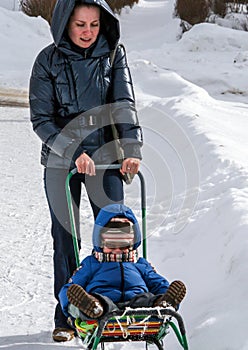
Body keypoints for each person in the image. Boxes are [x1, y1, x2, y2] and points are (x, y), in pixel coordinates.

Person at [29, 0, 143, 340]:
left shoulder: (113, 54)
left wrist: (132, 149)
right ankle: (66, 315)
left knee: (115, 233)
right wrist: (74, 151)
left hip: (106, 156)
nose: (88, 32)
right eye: (80, 25)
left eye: (94, 25)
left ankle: (110, 307)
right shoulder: (47, 60)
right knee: (66, 238)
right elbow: (41, 120)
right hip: (62, 161)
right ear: (65, 23)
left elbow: (123, 102)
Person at [58, 204, 186, 341]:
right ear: (100, 242)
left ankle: (162, 304)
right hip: (104, 307)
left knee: (147, 298)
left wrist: (166, 295)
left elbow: (158, 283)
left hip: (138, 310)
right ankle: (93, 306)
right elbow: (68, 289)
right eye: (112, 245)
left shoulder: (140, 264)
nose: (118, 250)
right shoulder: (92, 263)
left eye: (124, 245)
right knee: (99, 303)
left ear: (132, 243)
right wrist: (73, 304)